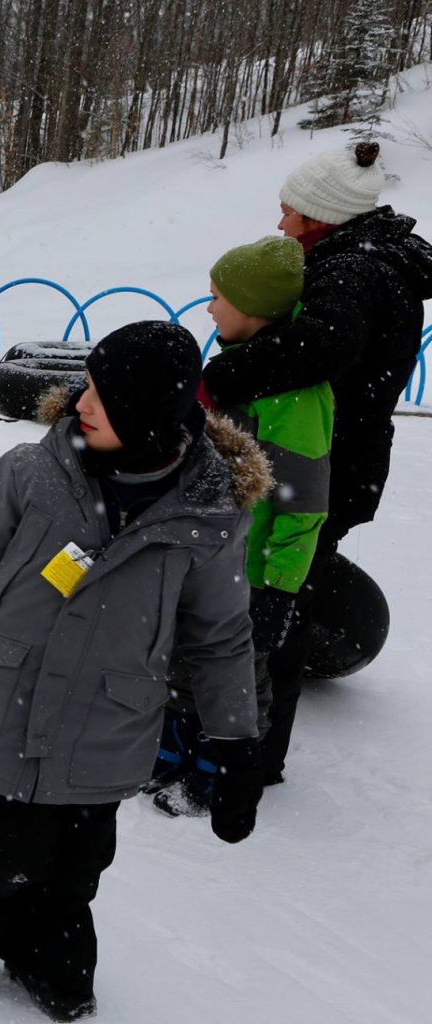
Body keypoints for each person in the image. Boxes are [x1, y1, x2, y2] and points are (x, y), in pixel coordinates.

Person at [0, 322, 268, 1022]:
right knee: (0, 850)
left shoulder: (208, 515)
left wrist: (236, 742)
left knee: (77, 865)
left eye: (103, 394)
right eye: (85, 384)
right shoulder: (30, 473)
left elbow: (219, 637)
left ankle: (47, 960)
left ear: (152, 415)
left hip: (108, 722)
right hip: (12, 703)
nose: (79, 402)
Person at [200, 142, 432, 783]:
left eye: (288, 212)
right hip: (335, 462)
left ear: (320, 215)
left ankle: (253, 755)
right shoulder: (370, 262)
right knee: (280, 596)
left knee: (278, 607)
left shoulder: (353, 272)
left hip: (318, 467)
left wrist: (217, 381)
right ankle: (243, 736)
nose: (280, 223)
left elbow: (317, 348)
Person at [152, 237, 332, 815]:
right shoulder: (233, 370)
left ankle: (222, 768)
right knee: (183, 653)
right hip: (203, 556)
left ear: (252, 307)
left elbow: (304, 504)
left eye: (217, 297)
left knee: (236, 676)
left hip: (250, 572)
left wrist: (279, 587)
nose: (208, 308)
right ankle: (176, 743)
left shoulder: (294, 395)